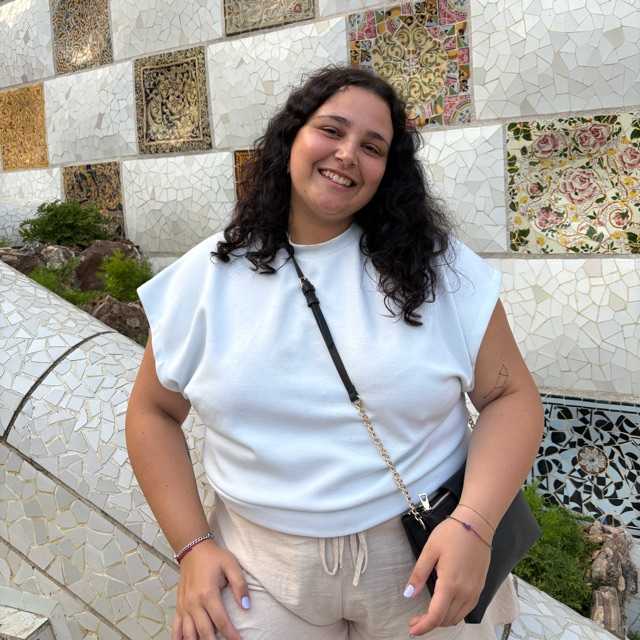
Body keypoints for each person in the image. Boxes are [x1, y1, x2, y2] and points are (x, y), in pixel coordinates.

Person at [126, 65, 544, 640]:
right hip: (258, 569)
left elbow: (511, 396)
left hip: (423, 558)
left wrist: (474, 525)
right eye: (331, 130)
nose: (348, 154)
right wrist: (193, 547)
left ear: (388, 171)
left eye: (372, 147)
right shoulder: (203, 279)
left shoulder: (439, 269)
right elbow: (152, 412)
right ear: (291, 138)